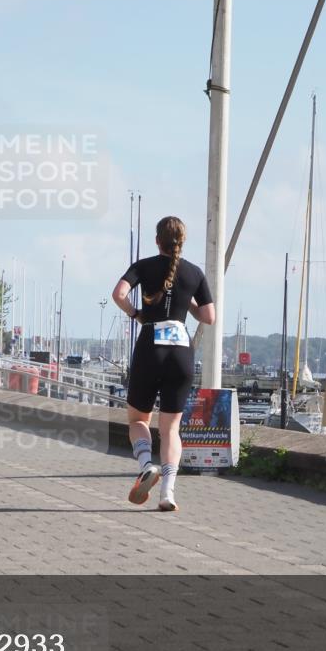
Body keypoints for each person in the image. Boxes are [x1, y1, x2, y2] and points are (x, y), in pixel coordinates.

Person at [111, 216, 215, 512]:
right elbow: (209, 317)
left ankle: (146, 466)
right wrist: (185, 302)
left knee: (138, 420)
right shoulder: (195, 273)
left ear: (157, 241)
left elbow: (118, 294)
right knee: (171, 429)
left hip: (150, 348)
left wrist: (136, 314)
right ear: (182, 242)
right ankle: (168, 491)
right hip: (181, 352)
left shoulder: (143, 266)